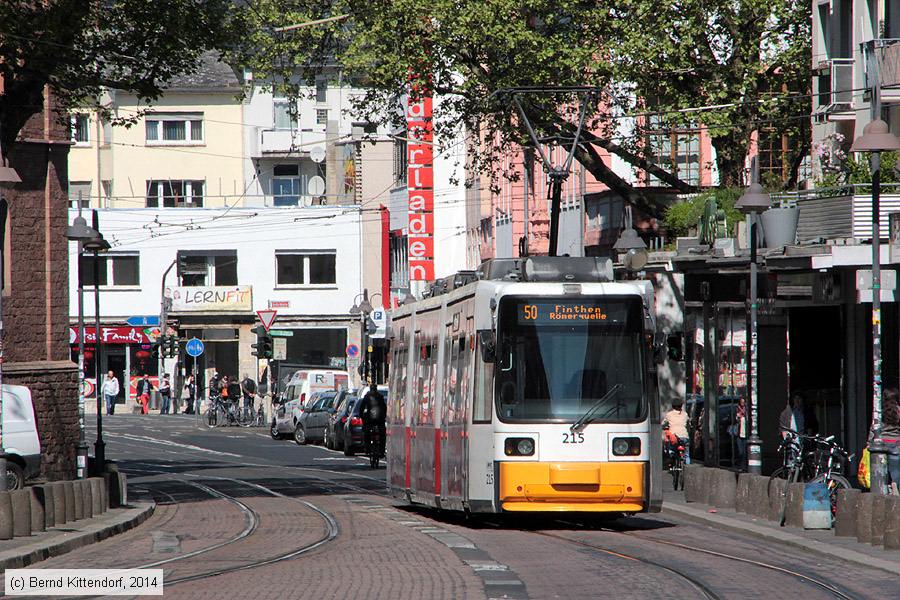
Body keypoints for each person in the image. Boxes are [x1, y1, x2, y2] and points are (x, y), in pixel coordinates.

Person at [358, 382, 387, 459]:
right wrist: (384, 416)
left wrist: (361, 415)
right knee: (382, 434)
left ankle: (367, 448)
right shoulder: (380, 396)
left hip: (370, 418)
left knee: (366, 431)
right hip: (380, 419)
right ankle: (381, 450)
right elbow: (384, 407)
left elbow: (362, 407)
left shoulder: (367, 396)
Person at [883, 388, 900, 492]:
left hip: (882, 443)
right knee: (896, 470)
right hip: (896, 443)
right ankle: (895, 486)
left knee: (882, 468)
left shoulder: (880, 410)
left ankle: (885, 487)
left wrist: (869, 442)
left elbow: (874, 427)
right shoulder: (898, 410)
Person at [663, 398, 690, 464]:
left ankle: (671, 460)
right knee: (686, 454)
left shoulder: (669, 414)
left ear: (673, 406)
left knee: (671, 449)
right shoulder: (685, 414)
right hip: (684, 436)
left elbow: (663, 424)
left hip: (674, 438)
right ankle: (688, 466)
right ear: (681, 406)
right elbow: (689, 424)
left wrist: (664, 427)